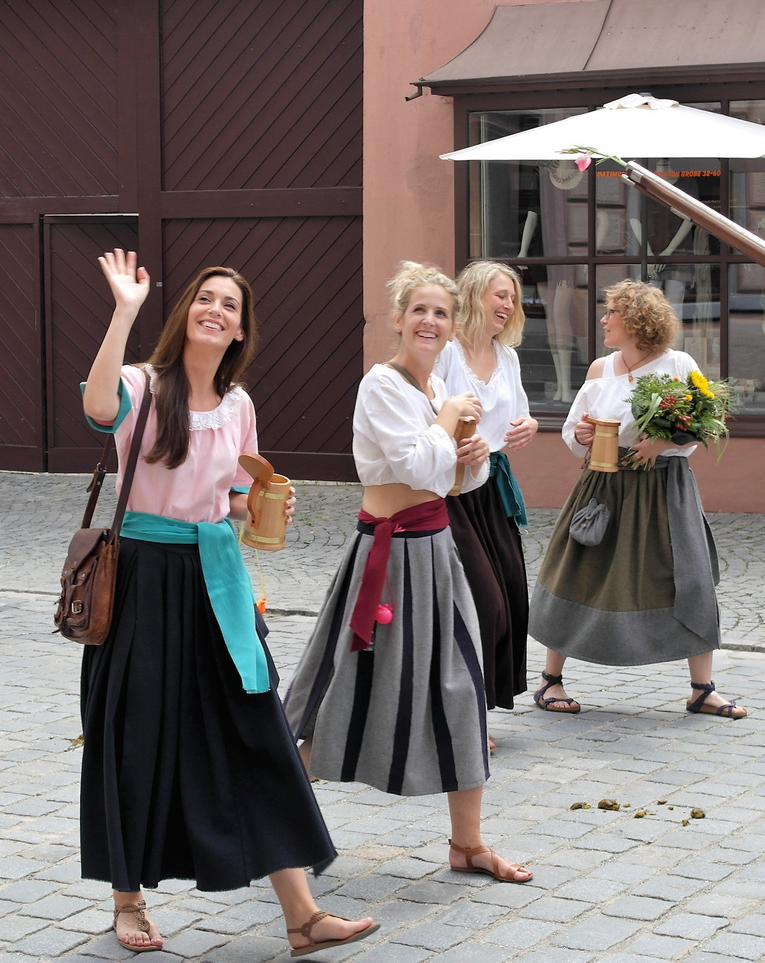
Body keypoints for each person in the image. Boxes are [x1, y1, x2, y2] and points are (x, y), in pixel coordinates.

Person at [80, 250, 376, 956]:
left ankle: (302, 916)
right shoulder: (142, 385)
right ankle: (129, 901)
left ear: (241, 331)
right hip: (143, 580)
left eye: (230, 306)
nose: (216, 311)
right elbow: (95, 407)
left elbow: (237, 504)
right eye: (206, 299)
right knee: (134, 735)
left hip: (216, 581)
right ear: (187, 312)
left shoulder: (239, 405)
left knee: (258, 730)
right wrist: (123, 309)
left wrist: (265, 505)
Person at [283, 262, 533, 885]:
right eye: (418, 310)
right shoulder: (384, 386)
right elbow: (415, 465)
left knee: (462, 684)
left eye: (441, 313)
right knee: (342, 690)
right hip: (386, 560)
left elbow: (452, 481)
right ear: (397, 319)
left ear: (454, 327)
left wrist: (475, 457)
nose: (429, 321)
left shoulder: (428, 394)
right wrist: (450, 424)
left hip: (435, 551)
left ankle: (468, 844)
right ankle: (277, 823)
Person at [528, 280, 745, 719]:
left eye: (612, 313)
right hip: (603, 486)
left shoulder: (678, 364)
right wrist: (583, 435)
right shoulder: (599, 370)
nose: (604, 320)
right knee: (577, 571)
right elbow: (573, 431)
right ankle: (550, 681)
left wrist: (662, 443)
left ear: (637, 321)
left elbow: (709, 420)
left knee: (690, 578)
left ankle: (702, 690)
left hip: (665, 486)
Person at [434, 261, 535, 725]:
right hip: (449, 491)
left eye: (512, 298)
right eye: (500, 295)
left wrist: (528, 426)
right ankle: (461, 711)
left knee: (512, 593)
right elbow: (426, 417)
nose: (508, 305)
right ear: (474, 295)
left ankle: (479, 707)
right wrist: (459, 443)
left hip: (492, 489)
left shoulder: (507, 357)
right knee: (481, 598)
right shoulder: (447, 353)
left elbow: (519, 415)